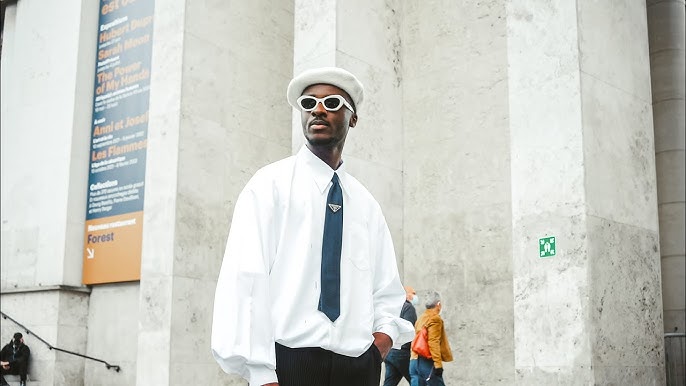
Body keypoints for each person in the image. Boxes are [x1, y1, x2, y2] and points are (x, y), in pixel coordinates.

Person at [211, 66, 414, 386]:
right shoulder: (268, 186)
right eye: (308, 103)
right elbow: (244, 280)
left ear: (353, 118)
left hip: (358, 367)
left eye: (332, 103)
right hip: (288, 366)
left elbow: (386, 287)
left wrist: (381, 343)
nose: (318, 109)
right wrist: (262, 374)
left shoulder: (366, 205)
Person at [409, 291, 453, 386]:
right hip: (426, 362)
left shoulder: (421, 318)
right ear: (438, 304)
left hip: (414, 361)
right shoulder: (435, 319)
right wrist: (438, 365)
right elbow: (433, 342)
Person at [383, 286, 419, 386]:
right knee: (416, 380)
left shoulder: (393, 307)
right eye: (413, 293)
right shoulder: (408, 308)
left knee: (390, 382)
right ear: (406, 294)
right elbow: (409, 331)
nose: (415, 296)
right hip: (402, 352)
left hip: (390, 351)